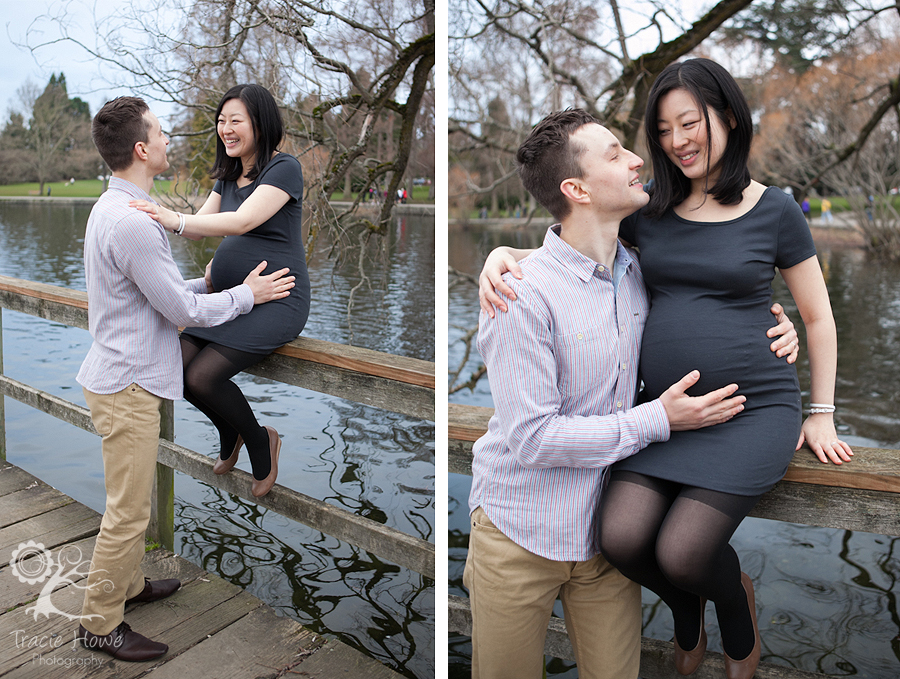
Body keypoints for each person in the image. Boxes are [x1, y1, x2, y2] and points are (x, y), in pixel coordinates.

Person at [480, 59, 853, 679]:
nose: (677, 140)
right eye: (663, 129)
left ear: (728, 117)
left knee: (683, 551)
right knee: (623, 538)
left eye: (691, 122)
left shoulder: (777, 211)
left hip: (749, 409)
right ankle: (687, 613)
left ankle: (735, 611)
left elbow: (817, 319)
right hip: (666, 416)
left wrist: (821, 413)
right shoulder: (649, 210)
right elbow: (579, 237)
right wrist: (503, 253)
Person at [77, 96, 295, 661]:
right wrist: (248, 295)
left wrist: (219, 286)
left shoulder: (112, 208)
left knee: (127, 503)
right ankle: (100, 623)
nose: (172, 139)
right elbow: (181, 311)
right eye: (161, 132)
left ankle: (129, 587)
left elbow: (166, 294)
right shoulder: (136, 225)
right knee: (127, 512)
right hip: (127, 385)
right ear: (143, 150)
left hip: (116, 376)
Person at [130, 84, 310, 499]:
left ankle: (261, 439)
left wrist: (169, 217)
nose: (225, 129)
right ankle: (230, 432)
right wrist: (145, 218)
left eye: (236, 121)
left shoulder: (283, 168)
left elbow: (243, 221)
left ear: (260, 124)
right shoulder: (228, 174)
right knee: (177, 368)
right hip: (234, 297)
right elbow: (197, 228)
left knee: (204, 376)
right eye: (221, 121)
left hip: (276, 299)